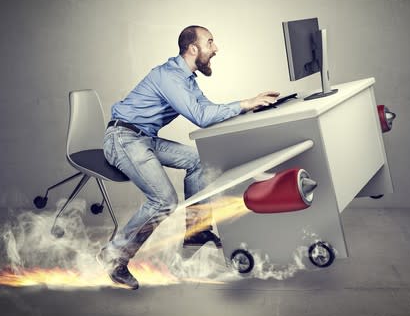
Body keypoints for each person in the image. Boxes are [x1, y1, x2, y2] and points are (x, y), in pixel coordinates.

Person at [100, 25, 279, 289]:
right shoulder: (169, 77)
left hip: (144, 138)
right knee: (163, 201)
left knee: (198, 160)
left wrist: (250, 107)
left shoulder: (187, 79)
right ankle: (114, 256)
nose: (215, 49)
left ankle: (196, 230)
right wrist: (244, 103)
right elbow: (202, 117)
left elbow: (208, 109)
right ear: (193, 48)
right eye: (210, 43)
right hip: (122, 139)